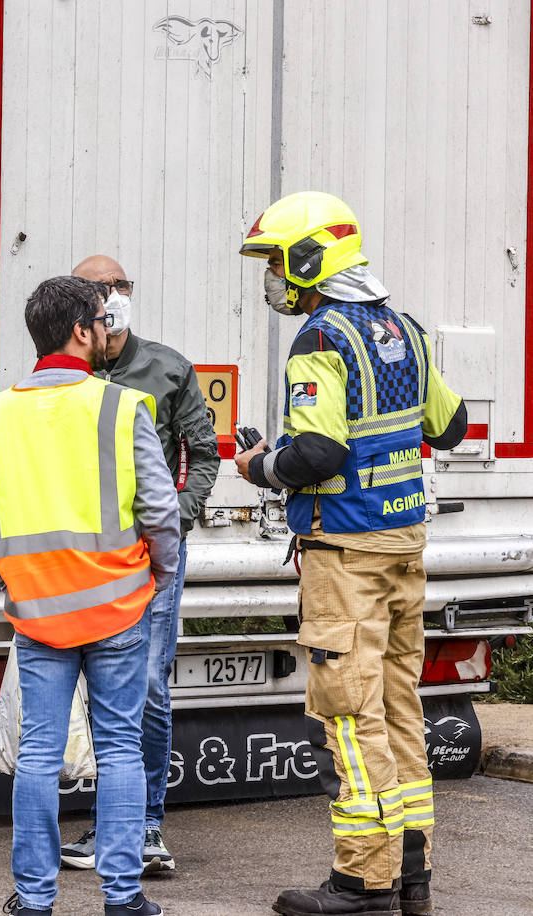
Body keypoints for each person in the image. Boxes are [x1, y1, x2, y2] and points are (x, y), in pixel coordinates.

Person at [235, 192, 466, 916]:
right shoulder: (405, 329)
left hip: (346, 554)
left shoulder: (321, 341)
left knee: (348, 712)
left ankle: (360, 880)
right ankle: (413, 869)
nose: (272, 277)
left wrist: (260, 467)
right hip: (404, 549)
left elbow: (318, 451)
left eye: (276, 262)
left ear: (310, 260)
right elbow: (450, 424)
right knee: (400, 707)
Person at [0, 276, 179, 916]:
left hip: (37, 613)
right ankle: (122, 895)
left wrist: (20, 581)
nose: (108, 330)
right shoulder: (118, 407)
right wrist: (156, 577)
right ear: (82, 330)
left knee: (38, 755)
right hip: (118, 608)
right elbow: (161, 513)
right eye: (102, 321)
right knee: (118, 749)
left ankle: (33, 899)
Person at [61, 255, 219, 874]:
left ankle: (145, 827)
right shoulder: (62, 373)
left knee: (147, 687)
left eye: (118, 285)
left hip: (150, 556)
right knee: (92, 690)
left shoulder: (167, 368)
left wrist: (173, 519)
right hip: (81, 556)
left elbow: (202, 455)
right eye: (94, 289)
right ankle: (108, 824)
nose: (108, 296)